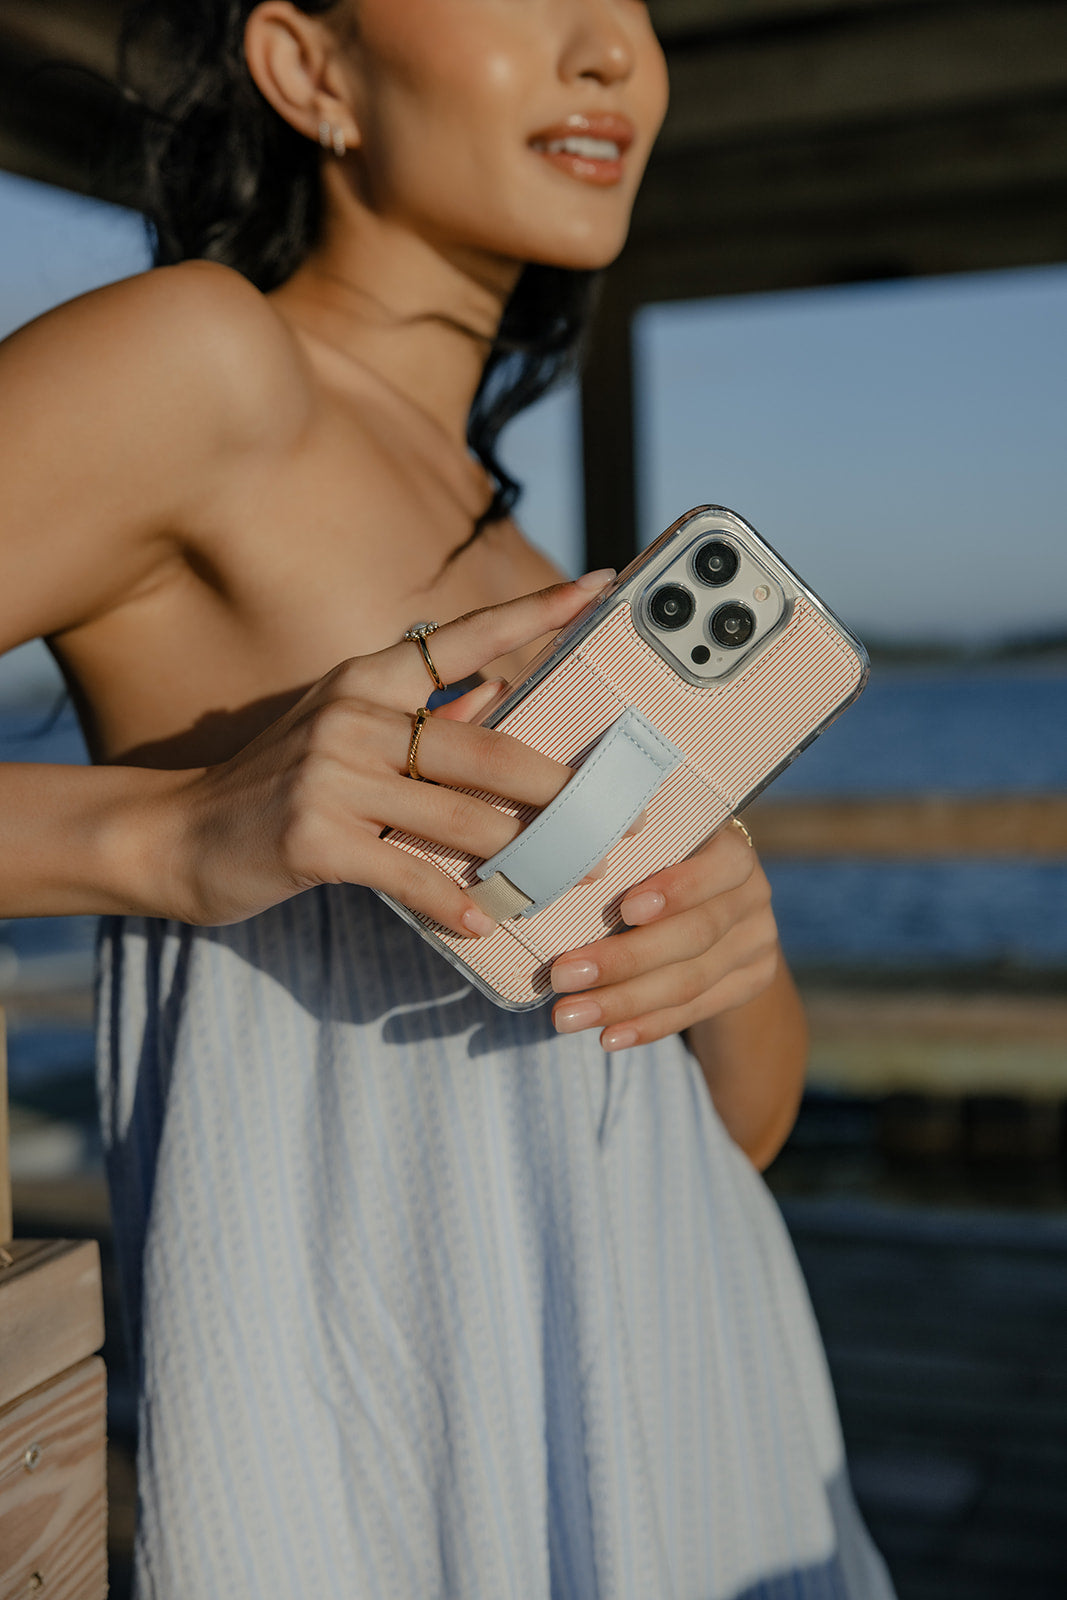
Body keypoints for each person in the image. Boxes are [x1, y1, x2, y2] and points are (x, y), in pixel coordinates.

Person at [0, 1, 895, 1593]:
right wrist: (167, 837)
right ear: (311, 66)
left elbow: (731, 1139)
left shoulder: (527, 554)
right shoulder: (203, 363)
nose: (613, 50)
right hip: (406, 1461)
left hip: (703, 1426)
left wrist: (732, 950)